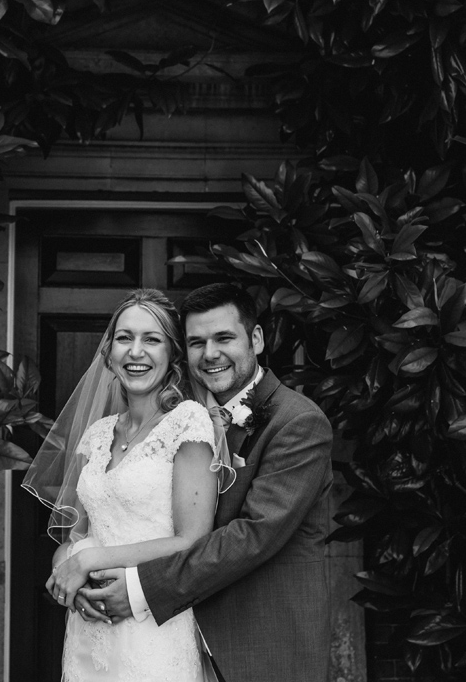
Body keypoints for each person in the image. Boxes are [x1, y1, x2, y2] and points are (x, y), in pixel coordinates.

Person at [79, 283, 334, 682]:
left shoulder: (298, 422)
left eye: (224, 338)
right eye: (197, 342)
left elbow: (253, 536)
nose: (210, 354)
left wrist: (136, 589)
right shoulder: (182, 416)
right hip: (173, 639)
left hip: (261, 646)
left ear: (257, 339)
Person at [22, 288, 225, 682]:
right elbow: (77, 535)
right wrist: (68, 573)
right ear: (108, 353)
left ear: (172, 356)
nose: (136, 351)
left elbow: (193, 539)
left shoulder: (187, 423)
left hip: (155, 624)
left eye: (152, 339)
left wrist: (89, 561)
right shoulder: (97, 435)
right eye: (125, 337)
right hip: (90, 627)